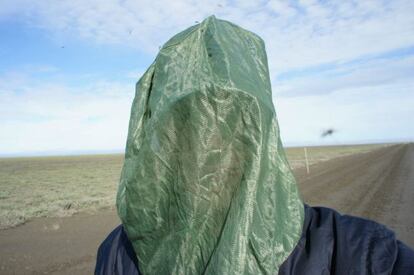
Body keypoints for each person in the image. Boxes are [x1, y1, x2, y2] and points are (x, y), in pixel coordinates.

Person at [95, 16, 414, 275]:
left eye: (236, 122)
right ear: (157, 144)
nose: (210, 149)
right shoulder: (119, 255)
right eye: (184, 126)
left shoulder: (361, 255)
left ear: (262, 134)